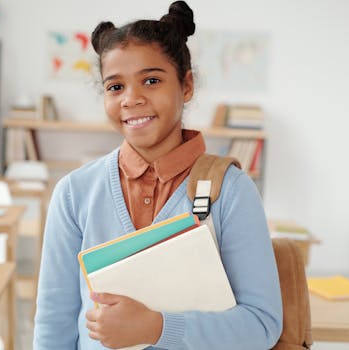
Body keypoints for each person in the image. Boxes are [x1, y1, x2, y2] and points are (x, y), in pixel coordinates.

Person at [33, 1, 282, 349]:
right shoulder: (74, 193)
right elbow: (53, 324)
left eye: (151, 80)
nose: (131, 99)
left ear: (186, 86)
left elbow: (262, 324)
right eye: (115, 87)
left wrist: (158, 328)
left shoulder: (232, 191)